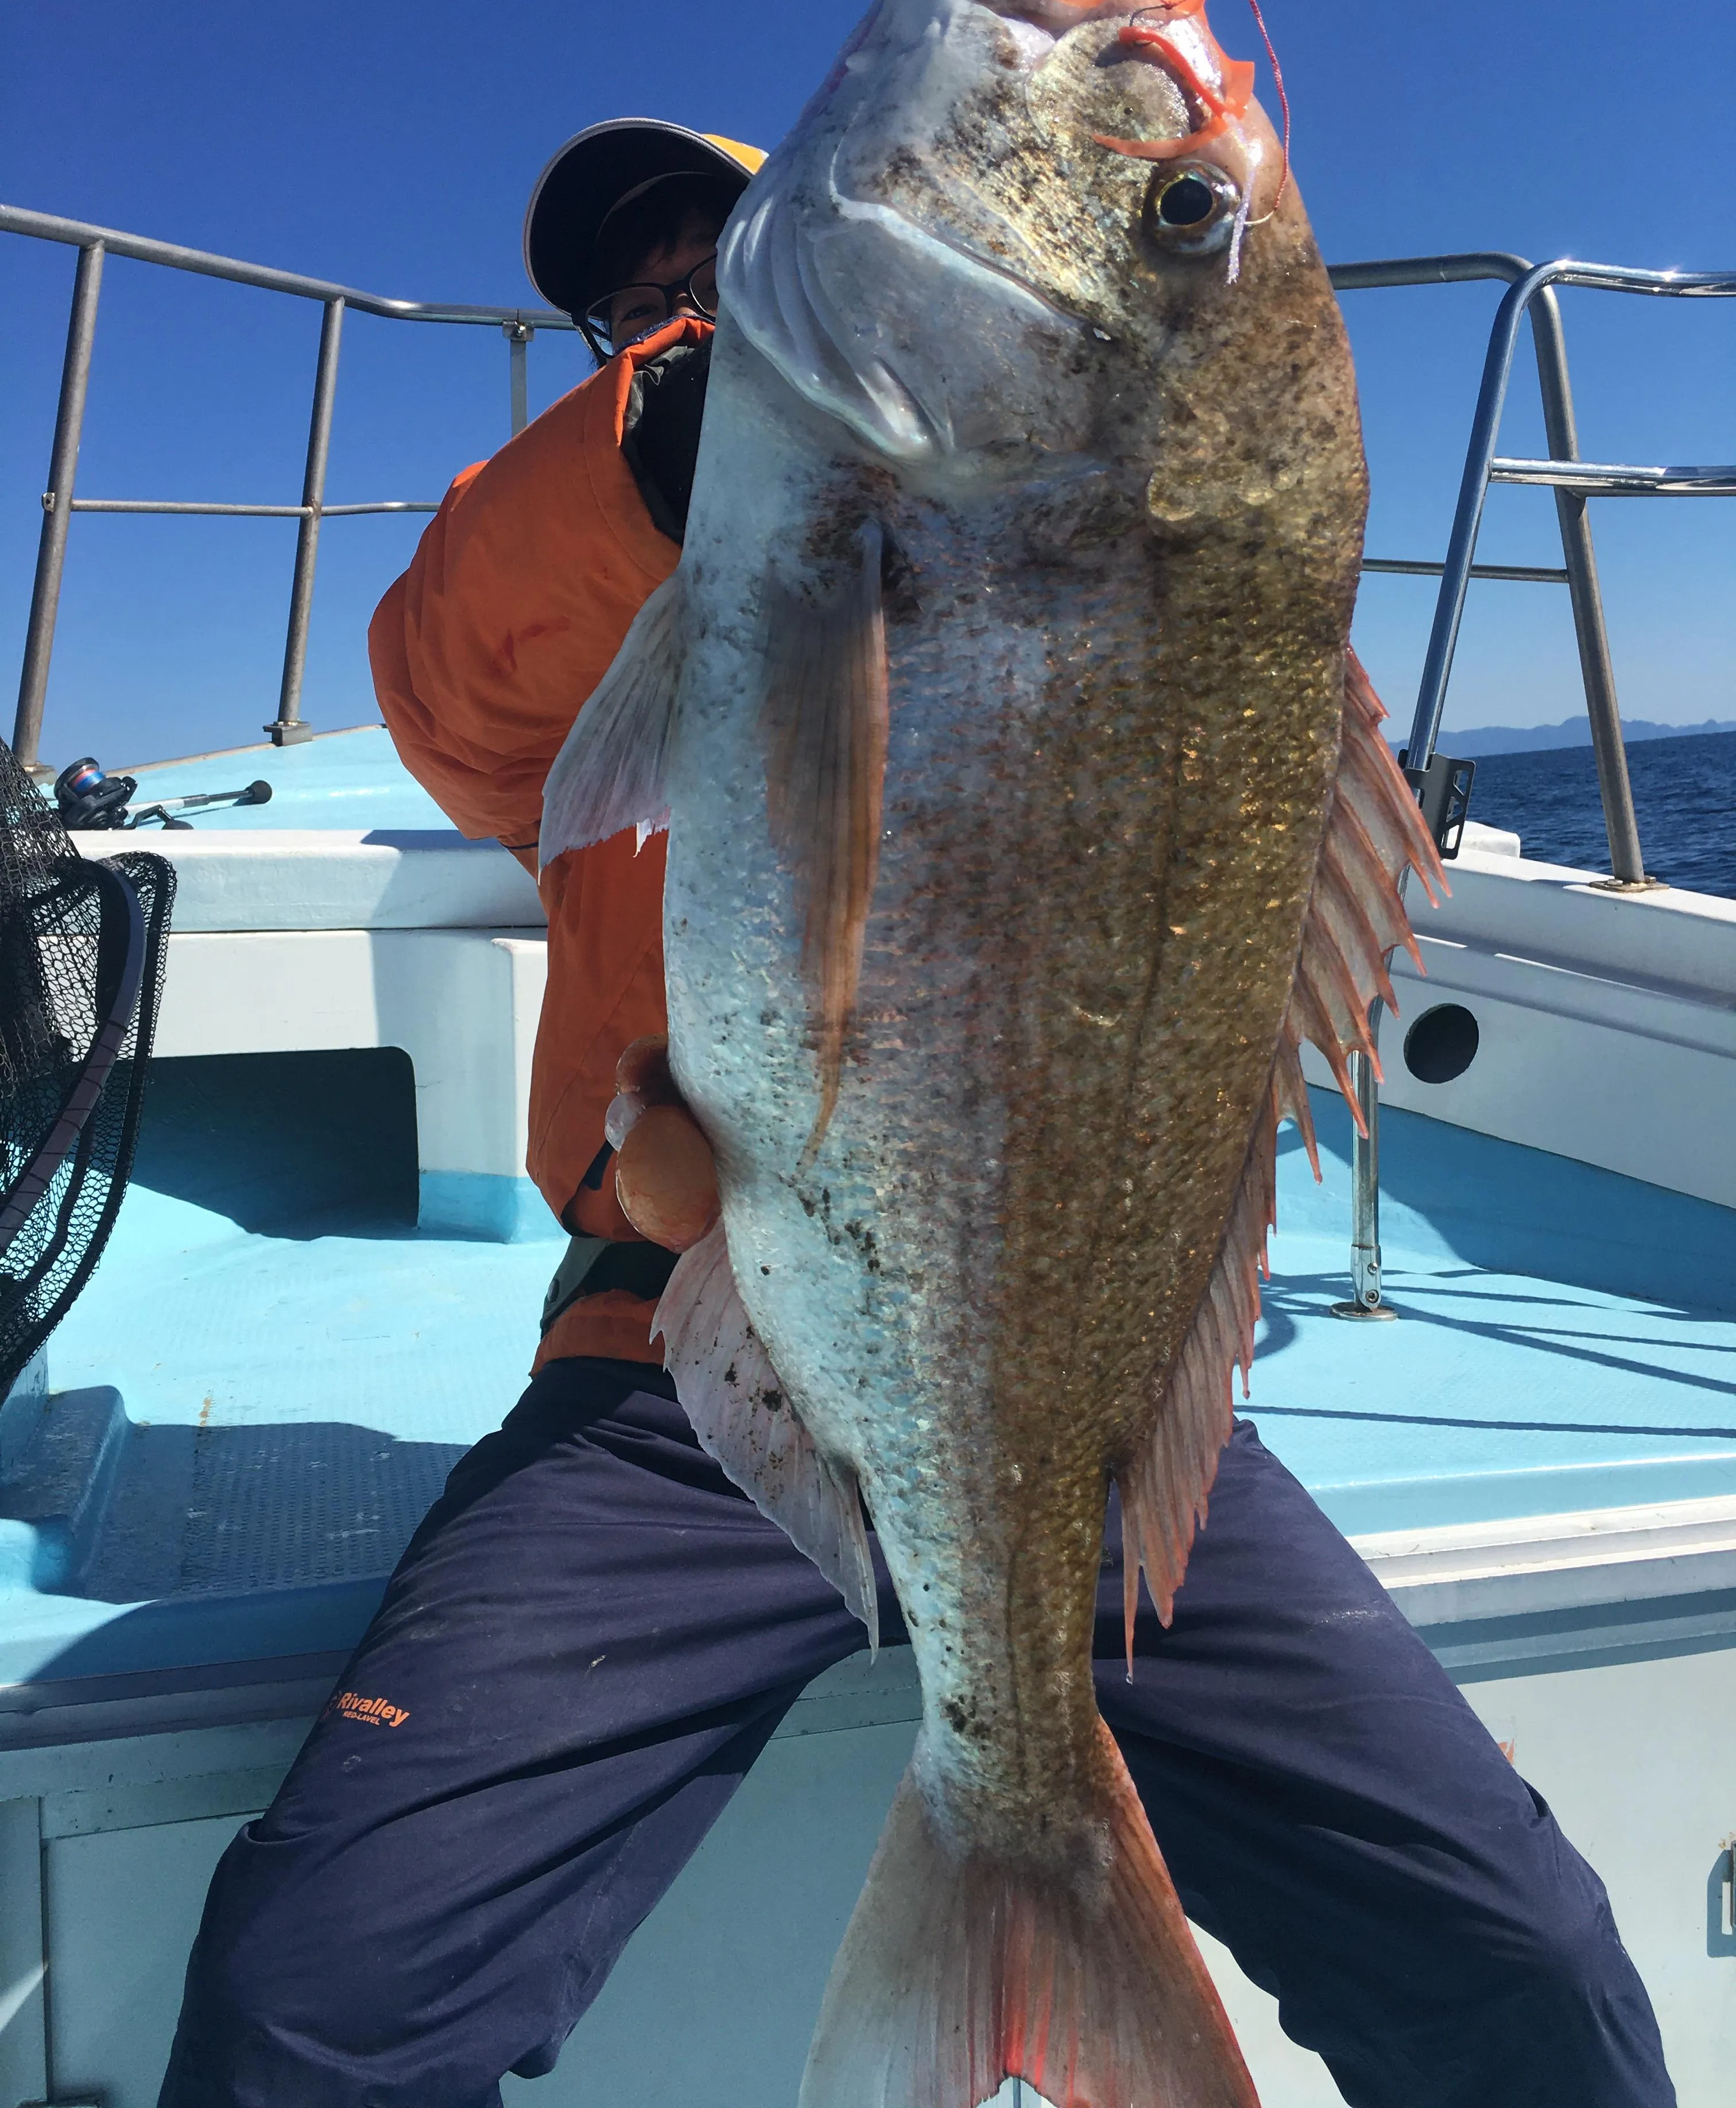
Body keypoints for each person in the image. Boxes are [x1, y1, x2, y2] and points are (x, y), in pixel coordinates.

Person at [157, 120, 1676, 2108]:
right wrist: (663, 450)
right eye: (640, 313)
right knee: (310, 2013)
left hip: (1078, 1397)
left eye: (732, 265)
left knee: (1523, 1961)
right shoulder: (603, 567)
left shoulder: (1076, 568)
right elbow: (447, 694)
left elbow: (1251, 781)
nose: (682, 322)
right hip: (682, 1368)